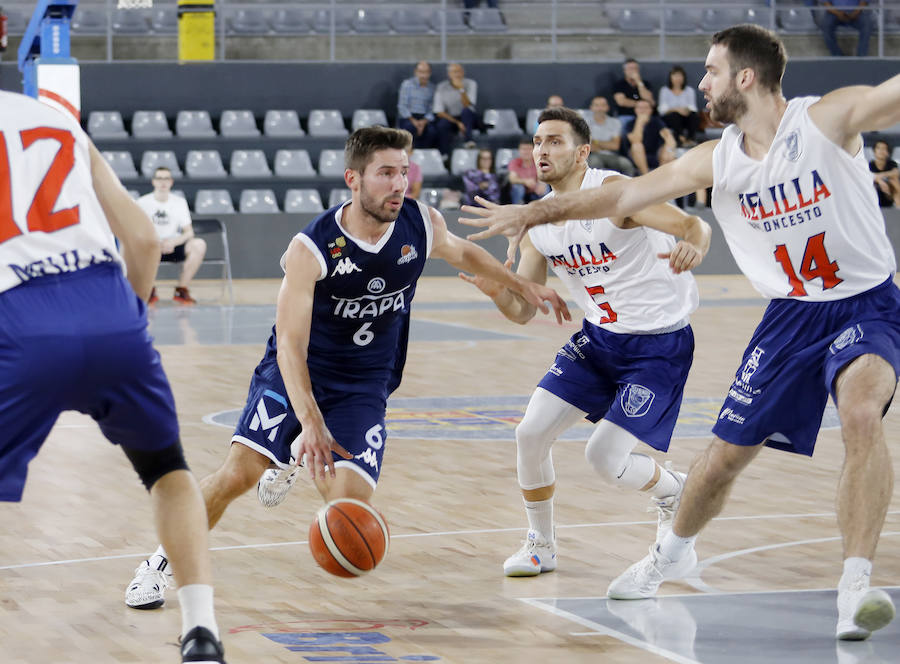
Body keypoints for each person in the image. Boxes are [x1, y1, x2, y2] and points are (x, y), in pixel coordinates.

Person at [460, 25, 900, 641]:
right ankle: (669, 555)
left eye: (711, 71)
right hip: (789, 315)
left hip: (865, 305)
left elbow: (890, 95)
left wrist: (693, 238)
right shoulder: (714, 159)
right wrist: (532, 214)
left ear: (745, 78)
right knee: (721, 461)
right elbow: (626, 195)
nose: (701, 82)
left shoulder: (826, 119)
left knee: (860, 415)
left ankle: (855, 589)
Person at [124, 127, 570, 609]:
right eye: (385, 174)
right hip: (298, 374)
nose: (399, 184)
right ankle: (159, 563)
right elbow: (290, 347)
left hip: (364, 386)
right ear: (353, 180)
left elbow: (463, 253)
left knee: (347, 513)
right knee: (239, 474)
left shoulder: (420, 223)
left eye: (404, 173)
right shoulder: (311, 249)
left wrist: (521, 286)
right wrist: (311, 422)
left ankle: (298, 453)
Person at [0, 91, 225, 662]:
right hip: (108, 306)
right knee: (167, 470)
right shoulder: (53, 117)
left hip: (21, 318)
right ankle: (201, 631)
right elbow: (145, 239)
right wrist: (128, 315)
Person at [459, 106, 710, 577]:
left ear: (583, 152)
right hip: (598, 341)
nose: (541, 150)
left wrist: (695, 242)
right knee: (529, 434)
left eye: (554, 140)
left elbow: (692, 225)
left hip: (658, 347)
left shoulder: (616, 194)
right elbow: (523, 310)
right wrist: (500, 291)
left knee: (603, 457)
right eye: (536, 141)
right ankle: (541, 545)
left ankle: (672, 488)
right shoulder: (539, 222)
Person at [136, 167, 207, 305]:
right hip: (152, 246)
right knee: (137, 247)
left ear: (171, 182)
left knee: (199, 244)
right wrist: (156, 242)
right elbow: (137, 230)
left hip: (174, 245)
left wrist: (173, 242)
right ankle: (149, 289)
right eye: (159, 178)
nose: (163, 182)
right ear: (153, 182)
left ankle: (181, 290)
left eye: (166, 178)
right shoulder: (142, 202)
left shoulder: (179, 202)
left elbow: (189, 232)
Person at [434, 62, 479, 155]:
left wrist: (461, 89)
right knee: (442, 124)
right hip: (452, 118)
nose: (457, 74)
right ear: (449, 74)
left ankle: (469, 142)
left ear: (463, 72)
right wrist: (458, 123)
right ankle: (444, 155)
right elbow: (439, 112)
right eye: (454, 72)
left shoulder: (471, 83)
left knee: (466, 112)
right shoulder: (441, 87)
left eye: (459, 71)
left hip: (469, 118)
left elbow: (467, 105)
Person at [625, 99, 677, 175]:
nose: (643, 110)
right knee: (637, 146)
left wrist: (669, 150)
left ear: (651, 110)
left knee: (668, 150)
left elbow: (669, 137)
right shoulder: (630, 124)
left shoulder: (656, 121)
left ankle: (661, 175)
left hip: (655, 154)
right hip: (635, 155)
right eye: (640, 108)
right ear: (635, 110)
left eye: (646, 108)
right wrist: (640, 122)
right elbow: (635, 140)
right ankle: (645, 175)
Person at [585, 95, 635, 175]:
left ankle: (629, 187)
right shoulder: (585, 123)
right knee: (595, 163)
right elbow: (588, 145)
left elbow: (615, 145)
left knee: (626, 164)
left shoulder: (615, 122)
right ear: (591, 108)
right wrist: (607, 144)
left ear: (607, 107)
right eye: (597, 105)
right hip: (592, 155)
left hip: (612, 155)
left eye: (603, 105)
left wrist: (596, 141)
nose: (600, 108)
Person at [397, 61, 437, 150]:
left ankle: (422, 154)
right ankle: (410, 155)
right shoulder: (407, 85)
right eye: (421, 72)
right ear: (416, 72)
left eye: (426, 72)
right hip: (409, 117)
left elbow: (432, 108)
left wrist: (424, 122)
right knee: (410, 128)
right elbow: (402, 106)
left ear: (430, 73)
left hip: (424, 118)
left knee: (432, 132)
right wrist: (414, 121)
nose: (423, 75)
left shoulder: (432, 88)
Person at [659, 65, 701, 148]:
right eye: (675, 75)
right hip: (670, 116)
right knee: (675, 116)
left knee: (694, 116)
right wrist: (676, 109)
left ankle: (690, 139)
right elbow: (662, 109)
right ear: (670, 77)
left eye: (680, 76)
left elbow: (693, 107)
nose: (678, 78)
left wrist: (685, 110)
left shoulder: (689, 90)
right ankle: (681, 139)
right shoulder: (664, 90)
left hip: (685, 115)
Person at [508, 138, 549, 204]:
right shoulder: (514, 162)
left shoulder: (539, 161)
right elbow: (512, 178)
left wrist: (541, 183)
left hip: (536, 190)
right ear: (519, 151)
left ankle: (545, 210)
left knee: (545, 186)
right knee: (517, 187)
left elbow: (543, 174)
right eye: (523, 149)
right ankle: (518, 210)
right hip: (522, 192)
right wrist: (525, 182)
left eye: (529, 149)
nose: (526, 152)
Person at [869, 140, 900, 208]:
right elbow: (868, 176)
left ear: (888, 152)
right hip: (876, 190)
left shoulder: (891, 163)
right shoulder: (870, 164)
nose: (881, 151)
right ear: (874, 151)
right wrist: (880, 181)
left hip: (889, 192)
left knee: (894, 180)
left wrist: (880, 176)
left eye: (884, 149)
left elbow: (895, 173)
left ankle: (898, 207)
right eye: (879, 148)